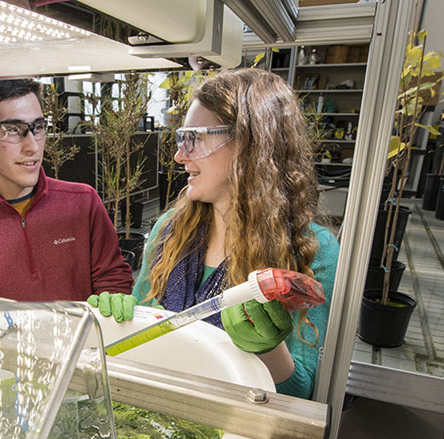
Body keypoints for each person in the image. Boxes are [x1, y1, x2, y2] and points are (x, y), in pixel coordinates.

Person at [90, 68, 339, 399]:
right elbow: (144, 327)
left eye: (195, 138)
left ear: (250, 144)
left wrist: (270, 351)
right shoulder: (170, 229)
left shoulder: (311, 249)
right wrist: (121, 316)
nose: (180, 156)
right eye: (181, 138)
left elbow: (300, 394)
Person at [0, 78, 133, 301]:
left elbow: (112, 278)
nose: (32, 146)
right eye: (12, 130)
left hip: (82, 335)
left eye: (38, 127)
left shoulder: (82, 202)